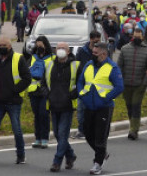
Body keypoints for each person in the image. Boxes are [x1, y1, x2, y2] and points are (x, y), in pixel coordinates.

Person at [0, 37, 32, 166]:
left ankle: (21, 155)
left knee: (16, 129)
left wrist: (15, 90)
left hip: (13, 101)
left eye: (4, 45)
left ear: (10, 46)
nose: (2, 47)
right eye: (0, 45)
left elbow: (27, 78)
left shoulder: (18, 59)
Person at [77, 42, 124, 175]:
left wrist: (105, 98)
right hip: (89, 105)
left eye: (95, 53)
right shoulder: (89, 65)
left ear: (103, 54)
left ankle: (97, 163)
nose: (93, 55)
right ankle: (102, 153)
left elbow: (119, 87)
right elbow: (80, 81)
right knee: (87, 133)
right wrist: (81, 94)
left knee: (100, 136)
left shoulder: (112, 67)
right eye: (93, 52)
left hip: (104, 107)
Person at [46, 42, 81, 172]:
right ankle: (70, 155)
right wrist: (47, 93)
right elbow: (44, 82)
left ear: (68, 51)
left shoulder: (76, 65)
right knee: (57, 133)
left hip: (67, 105)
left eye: (63, 48)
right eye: (58, 48)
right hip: (53, 104)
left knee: (62, 133)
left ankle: (57, 161)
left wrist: (74, 93)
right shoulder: (50, 64)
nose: (60, 50)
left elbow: (80, 83)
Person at [117, 27, 147, 140]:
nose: (137, 38)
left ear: (142, 37)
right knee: (129, 107)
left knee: (136, 106)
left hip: (139, 84)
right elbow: (119, 66)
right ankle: (132, 125)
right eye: (135, 36)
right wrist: (120, 80)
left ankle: (134, 130)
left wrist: (145, 84)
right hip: (126, 83)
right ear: (132, 36)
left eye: (139, 36)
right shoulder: (125, 49)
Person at [26, 36, 55, 149]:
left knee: (44, 114)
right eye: (37, 45)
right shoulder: (33, 58)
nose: (39, 47)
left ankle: (44, 138)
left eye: (41, 45)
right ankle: (37, 138)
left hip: (45, 91)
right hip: (34, 90)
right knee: (36, 115)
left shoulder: (52, 58)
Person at [73, 31, 102, 139]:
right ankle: (81, 130)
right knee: (81, 110)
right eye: (94, 39)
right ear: (90, 39)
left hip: (97, 87)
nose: (96, 41)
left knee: (94, 110)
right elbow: (77, 67)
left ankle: (93, 130)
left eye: (98, 39)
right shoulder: (82, 51)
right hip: (83, 86)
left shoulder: (102, 51)